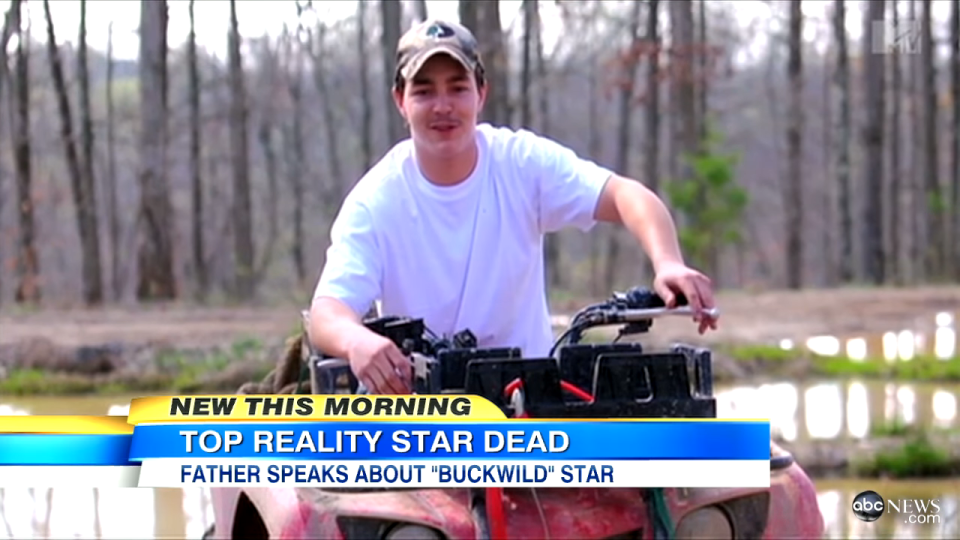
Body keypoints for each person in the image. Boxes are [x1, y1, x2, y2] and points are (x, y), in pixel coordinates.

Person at [308, 19, 718, 395]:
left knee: (623, 476)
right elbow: (328, 312)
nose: (443, 106)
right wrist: (357, 340)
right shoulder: (375, 200)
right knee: (438, 482)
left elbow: (627, 196)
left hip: (532, 409)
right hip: (428, 421)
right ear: (401, 100)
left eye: (457, 87)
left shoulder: (522, 163)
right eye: (424, 90)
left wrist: (668, 263)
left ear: (481, 93)